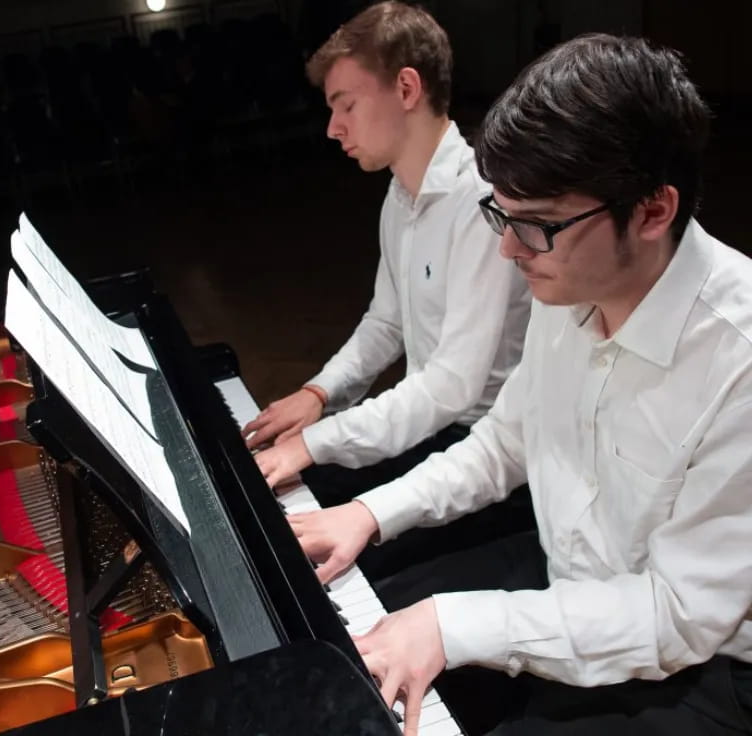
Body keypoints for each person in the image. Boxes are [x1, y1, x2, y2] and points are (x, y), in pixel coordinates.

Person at [289, 33, 752, 736]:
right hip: (570, 577)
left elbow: (676, 616)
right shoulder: (567, 283)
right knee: (347, 648)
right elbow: (505, 441)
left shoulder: (738, 356)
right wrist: (369, 513)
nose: (507, 250)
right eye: (499, 214)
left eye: (534, 227)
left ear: (653, 212)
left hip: (704, 665)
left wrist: (459, 624)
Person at [241, 2, 531, 511]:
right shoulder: (399, 195)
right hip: (428, 421)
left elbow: (452, 387)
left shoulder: (480, 203)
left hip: (485, 450)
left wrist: (318, 441)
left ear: (406, 89)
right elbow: (387, 322)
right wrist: (320, 393)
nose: (333, 128)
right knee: (266, 495)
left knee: (300, 524)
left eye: (345, 105)